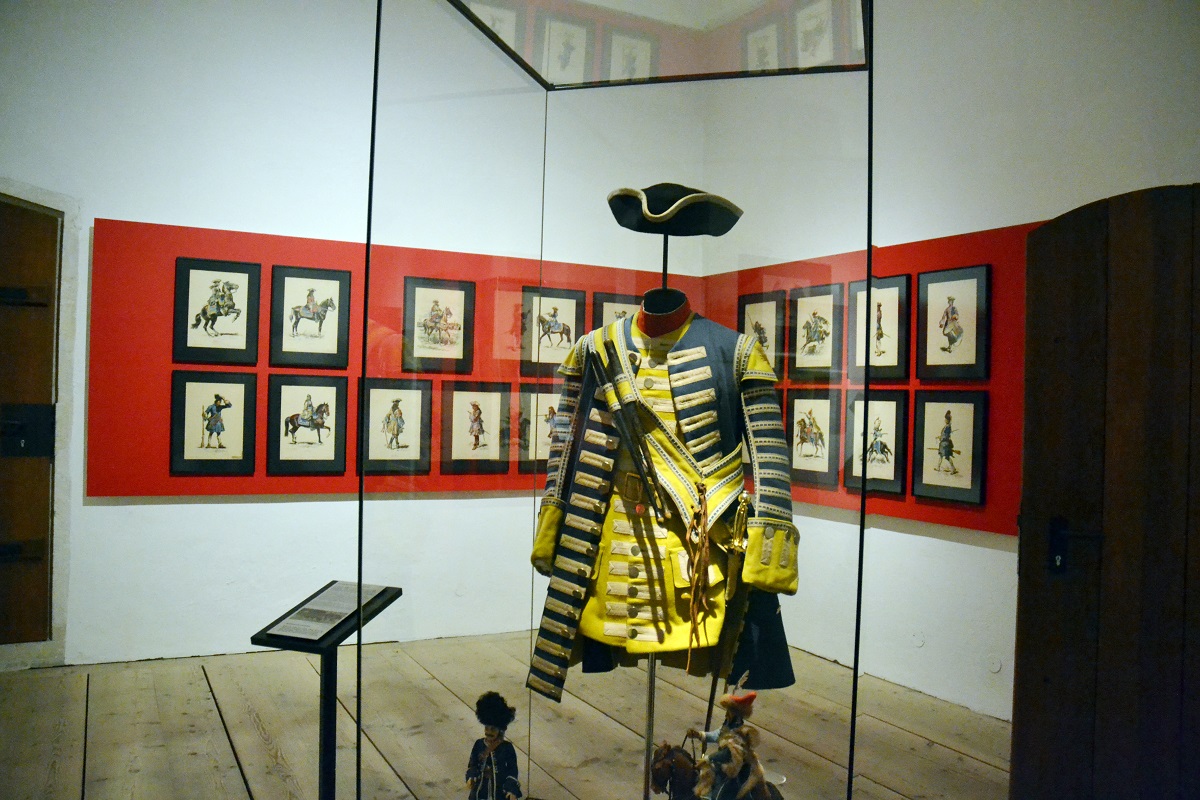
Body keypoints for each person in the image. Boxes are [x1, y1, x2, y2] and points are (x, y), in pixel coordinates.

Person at [686, 691, 769, 800]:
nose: (726, 714)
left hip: (736, 769)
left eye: (728, 711)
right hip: (723, 764)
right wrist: (699, 735)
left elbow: (728, 753)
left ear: (735, 713)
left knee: (719, 794)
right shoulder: (728, 726)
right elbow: (718, 735)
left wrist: (708, 758)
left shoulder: (740, 732)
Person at [465, 692, 521, 800]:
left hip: (499, 792)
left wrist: (511, 790)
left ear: (500, 729)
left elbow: (512, 770)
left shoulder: (507, 748)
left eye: (493, 729)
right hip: (480, 792)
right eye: (486, 728)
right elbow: (473, 764)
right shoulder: (479, 744)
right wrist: (471, 777)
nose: (488, 732)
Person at [936, 409, 958, 474]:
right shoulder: (946, 426)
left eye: (946, 419)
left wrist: (941, 437)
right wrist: (940, 437)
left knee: (947, 457)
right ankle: (938, 467)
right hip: (943, 443)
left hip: (945, 444)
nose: (945, 420)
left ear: (948, 420)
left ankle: (953, 469)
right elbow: (944, 435)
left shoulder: (948, 427)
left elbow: (946, 436)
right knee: (941, 455)